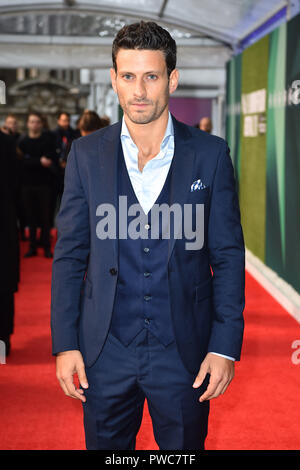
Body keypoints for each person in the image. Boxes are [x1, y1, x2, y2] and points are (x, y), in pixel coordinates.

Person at [51, 21, 245, 450]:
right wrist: (65, 344)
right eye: (128, 76)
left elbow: (228, 256)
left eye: (151, 76)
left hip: (184, 353)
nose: (139, 90)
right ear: (114, 79)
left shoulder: (210, 156)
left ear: (171, 79)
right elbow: (70, 254)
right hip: (104, 351)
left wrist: (225, 346)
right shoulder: (85, 154)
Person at [18, 112, 57, 258]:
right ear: (28, 124)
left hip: (44, 185)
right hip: (27, 185)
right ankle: (32, 247)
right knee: (31, 217)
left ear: (41, 124)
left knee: (45, 217)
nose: (34, 124)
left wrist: (32, 161)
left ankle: (46, 247)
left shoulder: (47, 141)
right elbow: (21, 162)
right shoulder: (22, 142)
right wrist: (38, 161)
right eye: (32, 122)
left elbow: (51, 159)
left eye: (37, 122)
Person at [0, 128, 19, 356]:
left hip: (4, 218)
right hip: (5, 218)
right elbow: (16, 181)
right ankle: (4, 339)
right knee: (4, 284)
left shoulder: (6, 142)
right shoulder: (7, 142)